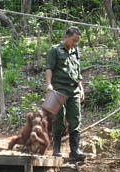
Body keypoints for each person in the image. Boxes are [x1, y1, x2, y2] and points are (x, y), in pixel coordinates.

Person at [45, 26, 86, 160]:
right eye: (73, 40)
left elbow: (77, 71)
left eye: (77, 41)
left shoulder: (75, 51)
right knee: (58, 119)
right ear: (66, 37)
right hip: (59, 88)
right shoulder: (55, 50)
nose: (75, 43)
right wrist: (49, 84)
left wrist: (81, 88)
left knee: (75, 119)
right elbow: (49, 68)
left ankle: (75, 150)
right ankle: (56, 149)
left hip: (73, 89)